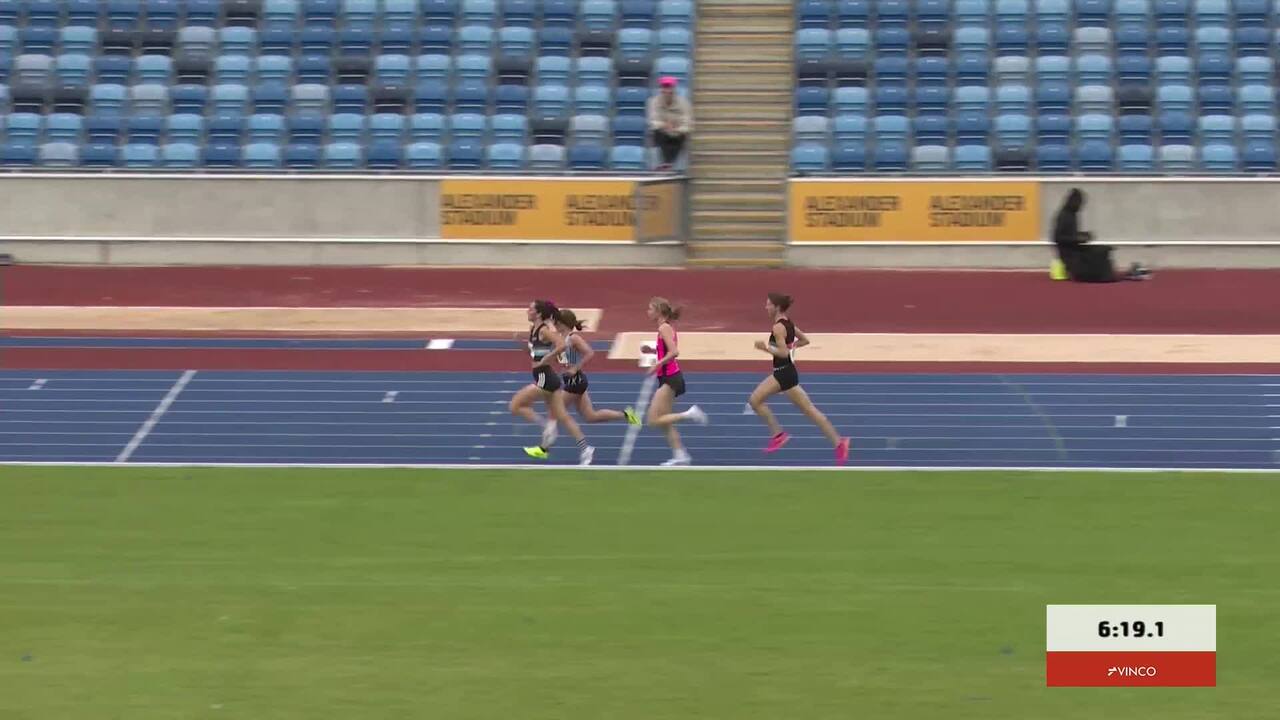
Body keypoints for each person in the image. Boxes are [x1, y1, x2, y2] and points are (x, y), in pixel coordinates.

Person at [748, 293, 851, 465]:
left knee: (755, 400)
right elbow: (805, 340)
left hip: (783, 373)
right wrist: (793, 345)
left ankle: (778, 435)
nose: (766, 307)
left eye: (768, 304)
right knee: (810, 411)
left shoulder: (778, 328)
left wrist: (765, 348)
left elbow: (783, 353)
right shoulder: (788, 323)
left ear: (777, 307)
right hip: (788, 373)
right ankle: (839, 443)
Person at [508, 300, 594, 465]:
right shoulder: (533, 330)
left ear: (539, 314)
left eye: (530, 309)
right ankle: (585, 448)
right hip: (545, 376)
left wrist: (548, 357)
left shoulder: (544, 330)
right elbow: (534, 354)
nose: (527, 311)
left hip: (545, 378)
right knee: (562, 416)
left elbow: (561, 345)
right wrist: (521, 344)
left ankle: (546, 427)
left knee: (515, 405)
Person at [639, 297, 707, 466]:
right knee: (665, 421)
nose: (647, 312)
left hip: (670, 377)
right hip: (667, 377)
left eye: (650, 309)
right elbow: (665, 350)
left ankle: (690, 413)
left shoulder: (664, 328)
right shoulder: (664, 328)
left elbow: (674, 352)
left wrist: (657, 365)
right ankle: (681, 455)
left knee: (653, 419)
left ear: (658, 311)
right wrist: (652, 350)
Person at [554, 308, 641, 426]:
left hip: (575, 381)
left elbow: (589, 352)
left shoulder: (573, 338)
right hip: (571, 379)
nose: (554, 325)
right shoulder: (561, 338)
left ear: (562, 323)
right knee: (590, 416)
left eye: (556, 322)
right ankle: (625, 414)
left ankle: (547, 438)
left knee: (555, 411)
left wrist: (575, 368)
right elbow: (564, 358)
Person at [1052, 188, 1151, 283]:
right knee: (1098, 253)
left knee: (1104, 249)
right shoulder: (1064, 216)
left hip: (1075, 249)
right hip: (1070, 254)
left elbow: (1071, 234)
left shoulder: (1072, 215)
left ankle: (1110, 274)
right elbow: (1057, 238)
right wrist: (1077, 238)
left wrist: (1083, 235)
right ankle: (1106, 276)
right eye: (1080, 203)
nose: (1081, 206)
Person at [646, 76, 692, 171]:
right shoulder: (653, 102)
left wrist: (676, 129)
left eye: (669, 87)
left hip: (677, 136)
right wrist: (665, 125)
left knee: (679, 139)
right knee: (657, 134)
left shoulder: (684, 103)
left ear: (673, 89)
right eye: (664, 87)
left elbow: (687, 124)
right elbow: (652, 121)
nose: (667, 90)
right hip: (662, 135)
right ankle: (665, 164)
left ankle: (669, 165)